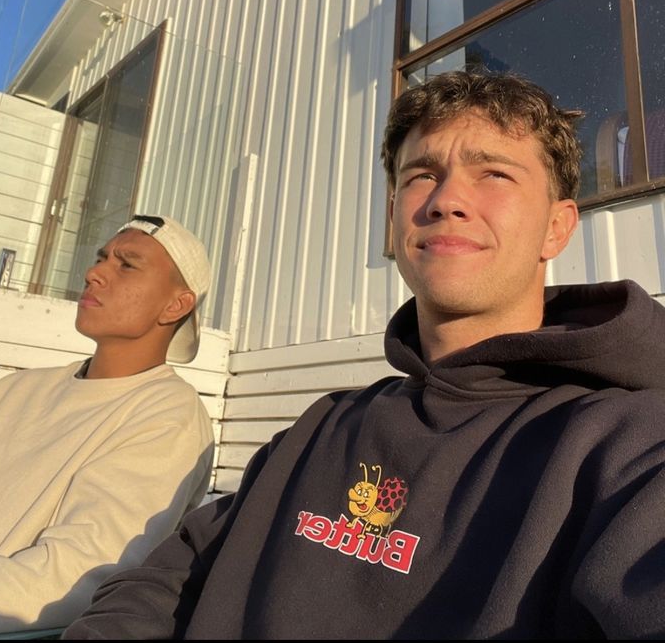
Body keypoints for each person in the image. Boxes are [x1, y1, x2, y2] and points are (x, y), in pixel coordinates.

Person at [63, 71, 665, 640]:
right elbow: (168, 579)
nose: (446, 199)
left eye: (495, 175)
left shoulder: (628, 449)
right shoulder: (321, 428)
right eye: (421, 175)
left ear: (557, 229)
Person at [0, 214, 216, 638]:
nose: (94, 273)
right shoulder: (16, 388)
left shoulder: (168, 414)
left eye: (127, 264)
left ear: (176, 304)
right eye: (101, 258)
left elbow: (81, 571)